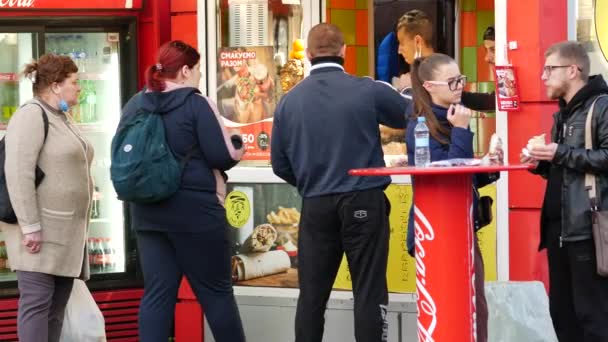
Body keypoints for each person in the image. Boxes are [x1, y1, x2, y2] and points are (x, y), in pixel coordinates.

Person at [271, 23, 411, 342]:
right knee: (369, 291)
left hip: (316, 204)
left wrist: (310, 180)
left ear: (307, 55)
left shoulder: (289, 103)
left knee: (311, 297)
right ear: (344, 52)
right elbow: (411, 115)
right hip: (363, 199)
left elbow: (279, 164)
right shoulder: (367, 89)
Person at [119, 40, 246, 342]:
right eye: (199, 70)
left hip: (147, 215)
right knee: (217, 294)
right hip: (196, 216)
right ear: (186, 70)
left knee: (157, 295)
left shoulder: (136, 103)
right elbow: (221, 155)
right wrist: (239, 143)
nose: (200, 77)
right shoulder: (196, 103)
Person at [405, 53, 498, 342]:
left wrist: (490, 165)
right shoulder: (421, 126)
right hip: (439, 232)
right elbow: (444, 175)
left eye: (461, 79)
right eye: (452, 81)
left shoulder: (453, 115)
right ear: (430, 86)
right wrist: (460, 131)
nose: (460, 86)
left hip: (463, 226)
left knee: (475, 305)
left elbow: (466, 175)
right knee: (452, 305)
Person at [1, 54, 93, 342]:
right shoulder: (31, 115)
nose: (79, 88)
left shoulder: (62, 117)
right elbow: (18, 172)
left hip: (66, 236)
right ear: (55, 85)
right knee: (38, 305)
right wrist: (30, 226)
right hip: (39, 235)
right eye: (74, 82)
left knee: (55, 310)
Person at [522, 41, 608, 341]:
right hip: (560, 229)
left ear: (573, 70)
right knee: (562, 314)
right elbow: (566, 169)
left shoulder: (602, 106)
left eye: (550, 69)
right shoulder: (564, 113)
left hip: (588, 228)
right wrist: (540, 163)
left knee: (593, 317)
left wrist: (558, 153)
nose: (543, 77)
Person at [396, 10, 496, 112]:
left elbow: (418, 120)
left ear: (417, 41)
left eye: (401, 43)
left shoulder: (438, 73)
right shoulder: (416, 74)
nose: (399, 50)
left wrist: (407, 90)